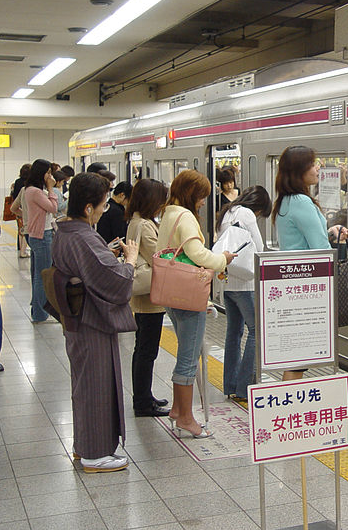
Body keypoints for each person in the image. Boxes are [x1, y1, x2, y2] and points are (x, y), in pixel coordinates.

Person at [51, 172, 139, 473]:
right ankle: (95, 453)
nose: (104, 210)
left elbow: (90, 266)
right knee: (96, 384)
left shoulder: (65, 230)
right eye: (102, 205)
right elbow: (113, 282)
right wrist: (129, 260)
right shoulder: (84, 237)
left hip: (77, 320)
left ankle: (83, 445)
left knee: (84, 384)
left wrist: (107, 254)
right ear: (88, 207)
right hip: (91, 322)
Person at [157, 170, 235, 438]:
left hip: (172, 292)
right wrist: (223, 258)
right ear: (192, 193)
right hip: (188, 294)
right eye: (201, 196)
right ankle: (188, 419)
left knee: (184, 352)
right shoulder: (186, 216)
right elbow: (196, 253)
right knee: (189, 358)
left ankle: (178, 410)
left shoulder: (168, 213)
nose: (203, 202)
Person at [272, 146, 348, 381]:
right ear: (299, 171)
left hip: (295, 283)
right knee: (299, 360)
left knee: (297, 358)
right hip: (309, 287)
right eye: (313, 164)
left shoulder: (286, 200)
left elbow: (301, 240)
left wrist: (329, 231)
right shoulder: (301, 201)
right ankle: (291, 408)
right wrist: (329, 242)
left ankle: (290, 405)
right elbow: (319, 250)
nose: (318, 168)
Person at [216, 186, 271, 402]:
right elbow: (259, 247)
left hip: (227, 282)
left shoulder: (227, 212)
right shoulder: (247, 214)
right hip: (246, 284)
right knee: (257, 331)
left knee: (234, 332)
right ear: (258, 206)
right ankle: (245, 387)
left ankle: (230, 385)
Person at [126, 179, 171, 417]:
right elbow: (159, 255)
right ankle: (143, 401)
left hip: (144, 299)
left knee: (142, 348)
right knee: (147, 350)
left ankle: (144, 395)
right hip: (149, 299)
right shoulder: (143, 225)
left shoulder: (136, 221)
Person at [14, 159, 57, 323]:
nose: (50, 176)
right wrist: (52, 189)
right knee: (43, 275)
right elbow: (53, 208)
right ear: (41, 173)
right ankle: (40, 313)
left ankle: (37, 309)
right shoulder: (36, 191)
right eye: (48, 173)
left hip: (36, 235)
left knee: (37, 274)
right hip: (42, 236)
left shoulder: (29, 190)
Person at [11, 164, 30, 257]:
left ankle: (20, 248)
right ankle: (23, 250)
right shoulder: (30, 183)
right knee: (27, 228)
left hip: (19, 208)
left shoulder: (17, 182)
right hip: (28, 209)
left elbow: (14, 196)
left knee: (20, 229)